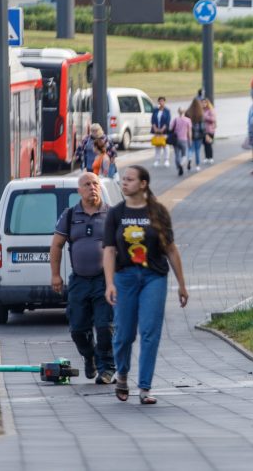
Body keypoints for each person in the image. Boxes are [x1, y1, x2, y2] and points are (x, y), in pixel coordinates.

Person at [103, 165, 188, 405]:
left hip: (154, 277)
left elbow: (171, 249)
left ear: (143, 184)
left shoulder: (158, 212)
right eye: (122, 180)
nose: (124, 183)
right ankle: (122, 374)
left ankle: (145, 387)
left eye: (129, 179)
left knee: (150, 332)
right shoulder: (116, 214)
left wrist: (182, 285)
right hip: (125, 277)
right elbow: (109, 250)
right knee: (123, 333)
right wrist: (109, 283)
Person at [50, 172, 115, 385]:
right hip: (79, 280)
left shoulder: (111, 214)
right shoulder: (69, 215)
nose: (92, 187)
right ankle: (90, 356)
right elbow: (57, 245)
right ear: (79, 190)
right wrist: (55, 275)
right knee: (78, 329)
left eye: (95, 183)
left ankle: (107, 369)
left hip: (104, 280)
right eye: (87, 184)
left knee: (105, 327)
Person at [171, 107, 192, 177]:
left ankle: (178, 167)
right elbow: (189, 132)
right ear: (184, 112)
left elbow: (171, 128)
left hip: (176, 140)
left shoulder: (175, 119)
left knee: (177, 155)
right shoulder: (188, 120)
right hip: (184, 139)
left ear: (178, 112)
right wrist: (190, 140)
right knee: (184, 155)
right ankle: (181, 164)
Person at [151, 97, 172, 168]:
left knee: (165, 145)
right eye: (160, 101)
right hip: (156, 130)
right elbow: (153, 120)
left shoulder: (167, 111)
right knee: (157, 145)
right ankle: (157, 160)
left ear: (164, 102)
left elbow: (168, 121)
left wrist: (162, 129)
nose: (161, 103)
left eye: (162, 101)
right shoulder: (155, 110)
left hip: (164, 131)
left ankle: (166, 160)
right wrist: (155, 128)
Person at [186, 98, 205, 171]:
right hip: (198, 135)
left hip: (190, 134)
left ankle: (190, 158)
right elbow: (202, 127)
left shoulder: (188, 112)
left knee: (190, 149)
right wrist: (204, 134)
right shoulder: (200, 113)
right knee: (197, 150)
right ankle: (197, 165)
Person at [202, 99, 216, 164]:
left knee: (209, 144)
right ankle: (206, 157)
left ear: (207, 103)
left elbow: (213, 119)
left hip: (210, 130)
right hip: (204, 130)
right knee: (205, 144)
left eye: (204, 103)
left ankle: (210, 157)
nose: (203, 104)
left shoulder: (210, 110)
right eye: (202, 103)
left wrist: (205, 117)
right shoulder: (202, 110)